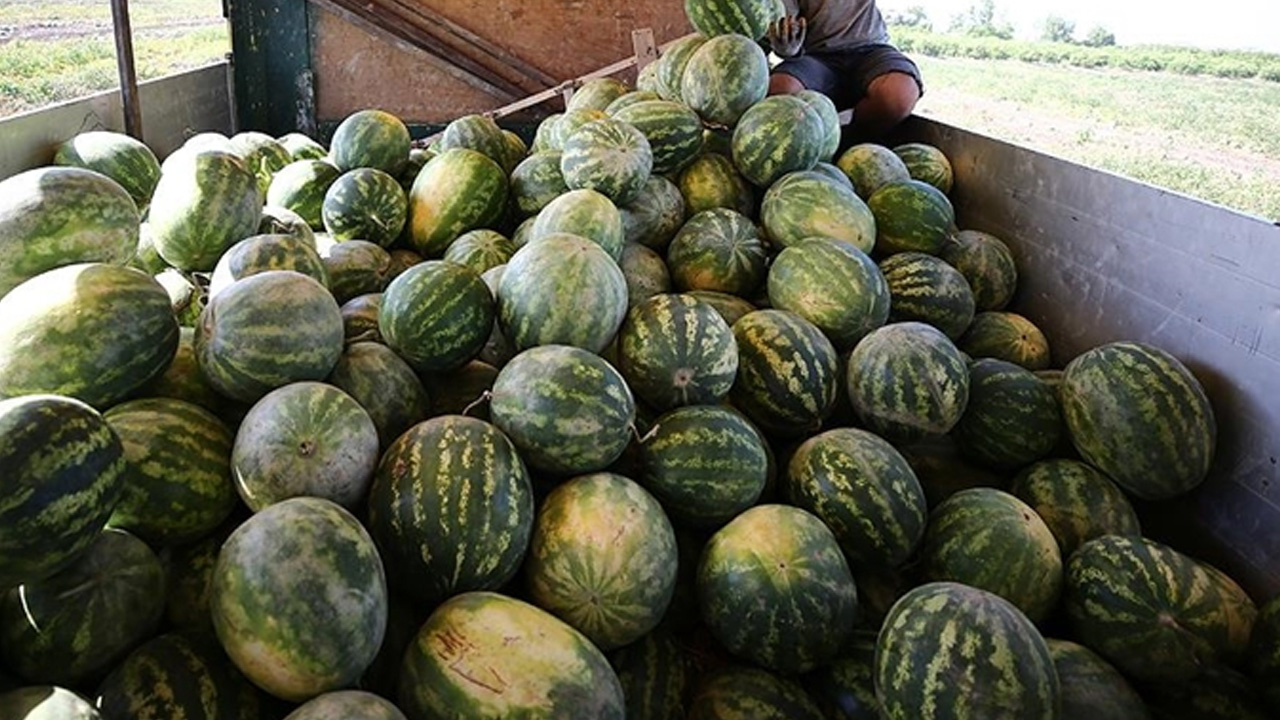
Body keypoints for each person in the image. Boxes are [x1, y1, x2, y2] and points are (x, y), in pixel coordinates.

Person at [764, 0, 923, 147]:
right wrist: (787, 48)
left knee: (899, 94)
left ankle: (848, 142)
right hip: (818, 58)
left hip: (871, 49)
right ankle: (811, 148)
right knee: (781, 90)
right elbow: (786, 26)